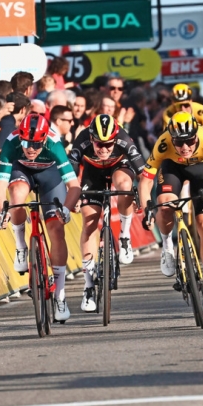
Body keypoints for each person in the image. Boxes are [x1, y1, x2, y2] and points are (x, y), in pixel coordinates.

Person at [138, 111, 203, 309]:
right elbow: (146, 179)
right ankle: (167, 247)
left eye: (190, 141)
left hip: (202, 169)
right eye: (179, 143)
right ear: (171, 138)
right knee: (165, 205)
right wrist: (146, 208)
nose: (185, 147)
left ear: (196, 136)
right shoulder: (164, 142)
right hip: (173, 168)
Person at [0, 113, 81, 322]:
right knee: (16, 197)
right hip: (21, 171)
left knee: (56, 229)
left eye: (35, 144)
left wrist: (67, 210)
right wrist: (1, 211)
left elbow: (74, 186)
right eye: (25, 143)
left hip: (50, 175)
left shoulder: (54, 145)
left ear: (44, 140)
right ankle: (21, 247)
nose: (30, 148)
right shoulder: (11, 144)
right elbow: (0, 186)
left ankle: (60, 296)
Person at [69, 114, 145, 312]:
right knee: (89, 223)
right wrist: (74, 196)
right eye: (99, 145)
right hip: (92, 174)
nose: (103, 149)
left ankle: (125, 236)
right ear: (91, 139)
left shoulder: (124, 138)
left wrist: (144, 200)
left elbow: (143, 172)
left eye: (108, 145)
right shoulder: (82, 139)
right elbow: (70, 174)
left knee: (125, 185)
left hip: (119, 168)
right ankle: (87, 287)